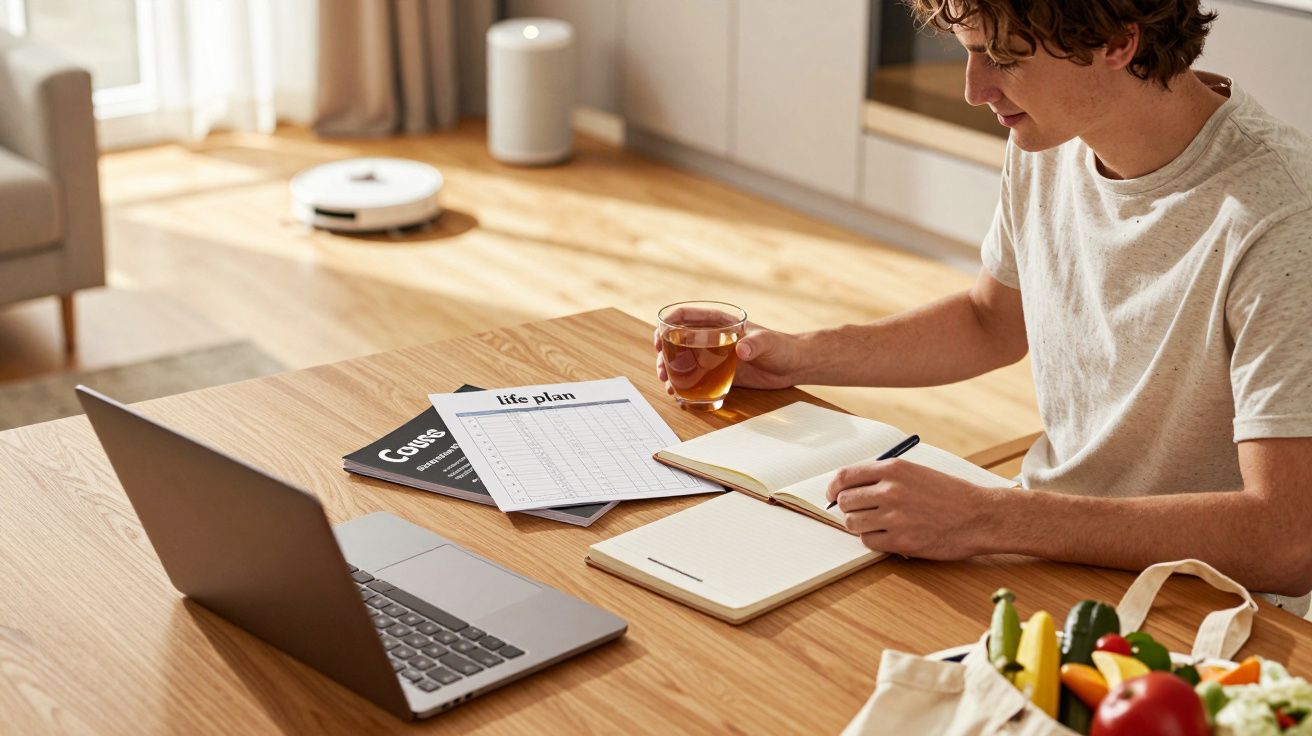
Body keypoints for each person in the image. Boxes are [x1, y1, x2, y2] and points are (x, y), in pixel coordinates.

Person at [655, 0, 1312, 613]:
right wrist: (793, 355)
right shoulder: (1056, 137)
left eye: (1002, 60)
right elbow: (990, 321)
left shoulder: (1280, 215)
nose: (975, 90)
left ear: (1117, 41)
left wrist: (989, 516)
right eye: (969, 52)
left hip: (1211, 603)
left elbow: (1287, 540)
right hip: (1050, 552)